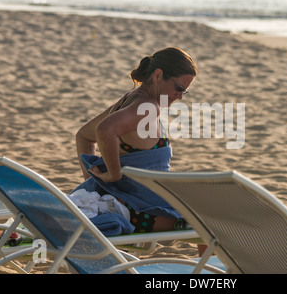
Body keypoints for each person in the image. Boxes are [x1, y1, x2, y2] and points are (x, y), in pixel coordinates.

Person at [72, 47, 197, 236]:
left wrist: (95, 188)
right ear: (158, 75)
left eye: (184, 92)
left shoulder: (131, 99)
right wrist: (112, 176)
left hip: (130, 206)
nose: (179, 96)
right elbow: (104, 130)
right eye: (178, 88)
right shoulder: (147, 107)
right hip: (145, 213)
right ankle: (205, 267)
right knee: (213, 223)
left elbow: (84, 136)